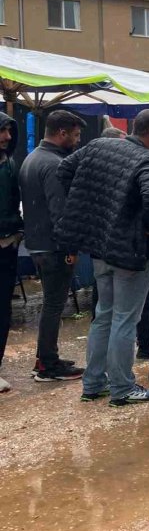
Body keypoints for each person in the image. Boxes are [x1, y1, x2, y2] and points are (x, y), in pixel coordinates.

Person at [56, 110, 149, 406]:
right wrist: (148, 227)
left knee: (104, 315)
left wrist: (91, 206)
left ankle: (93, 384)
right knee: (125, 319)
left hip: (100, 247)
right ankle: (122, 387)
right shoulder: (148, 160)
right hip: (131, 252)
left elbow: (64, 171)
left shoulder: (96, 146)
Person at [19, 110, 87, 381]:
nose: (78, 140)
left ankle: (47, 358)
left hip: (37, 243)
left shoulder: (31, 158)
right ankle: (47, 363)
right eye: (76, 135)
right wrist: (71, 247)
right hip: (55, 246)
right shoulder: (55, 164)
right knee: (53, 305)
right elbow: (61, 212)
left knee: (51, 303)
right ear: (62, 133)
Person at [0, 113, 23, 393]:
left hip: (7, 246)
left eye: (7, 131)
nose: (6, 136)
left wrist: (17, 233)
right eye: (1, 131)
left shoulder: (11, 165)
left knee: (3, 308)